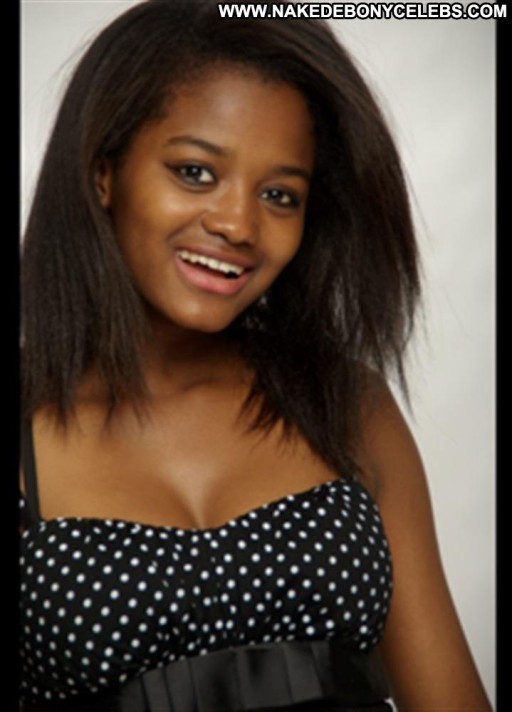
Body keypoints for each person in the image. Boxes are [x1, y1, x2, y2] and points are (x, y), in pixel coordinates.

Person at [19, 1, 492, 710]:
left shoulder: (346, 403)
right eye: (195, 172)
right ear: (103, 172)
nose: (239, 224)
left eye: (279, 194)